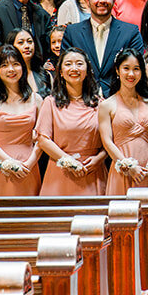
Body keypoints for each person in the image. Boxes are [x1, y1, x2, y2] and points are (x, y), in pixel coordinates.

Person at [37, 47, 108, 197]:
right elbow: (43, 139)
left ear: (87, 70)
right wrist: (68, 161)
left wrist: (99, 159)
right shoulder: (50, 102)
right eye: (68, 64)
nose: (74, 68)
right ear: (61, 72)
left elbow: (110, 141)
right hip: (60, 171)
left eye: (79, 64)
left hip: (92, 171)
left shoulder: (100, 104)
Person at [0, 47, 42, 197]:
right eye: (4, 65)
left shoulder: (36, 99)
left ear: (23, 67)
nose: (11, 69)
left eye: (15, 64)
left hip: (28, 165)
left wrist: (29, 163)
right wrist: (9, 162)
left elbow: (42, 137)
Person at [100, 50, 148, 192]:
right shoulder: (106, 105)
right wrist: (128, 166)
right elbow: (107, 141)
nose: (131, 74)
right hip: (122, 170)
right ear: (117, 70)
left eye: (136, 69)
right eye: (126, 68)